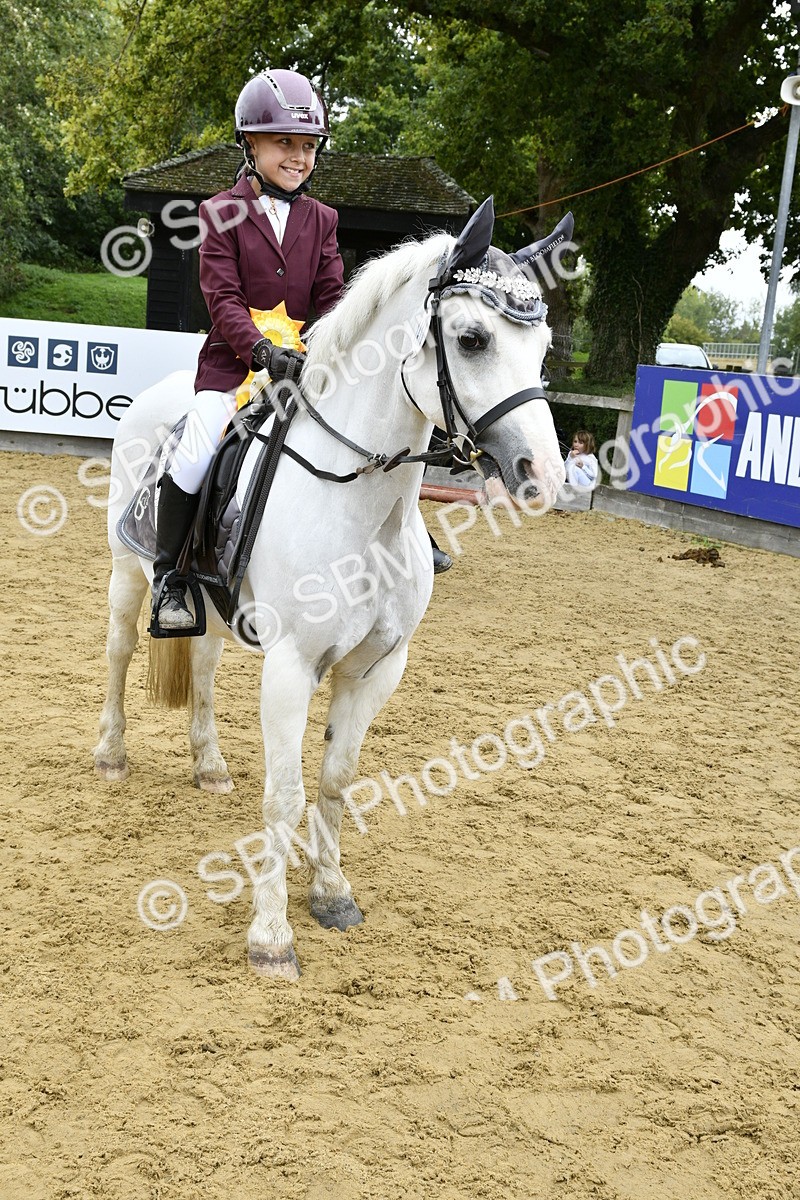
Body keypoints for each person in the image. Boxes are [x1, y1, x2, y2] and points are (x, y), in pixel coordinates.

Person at [151, 68, 344, 630]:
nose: (298, 157)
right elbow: (222, 298)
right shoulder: (220, 213)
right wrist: (262, 353)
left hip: (304, 368)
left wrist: (323, 347)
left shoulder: (324, 219)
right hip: (234, 369)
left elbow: (333, 296)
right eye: (284, 142)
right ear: (251, 143)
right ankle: (171, 580)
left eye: (308, 146)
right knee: (195, 453)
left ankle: (403, 533)